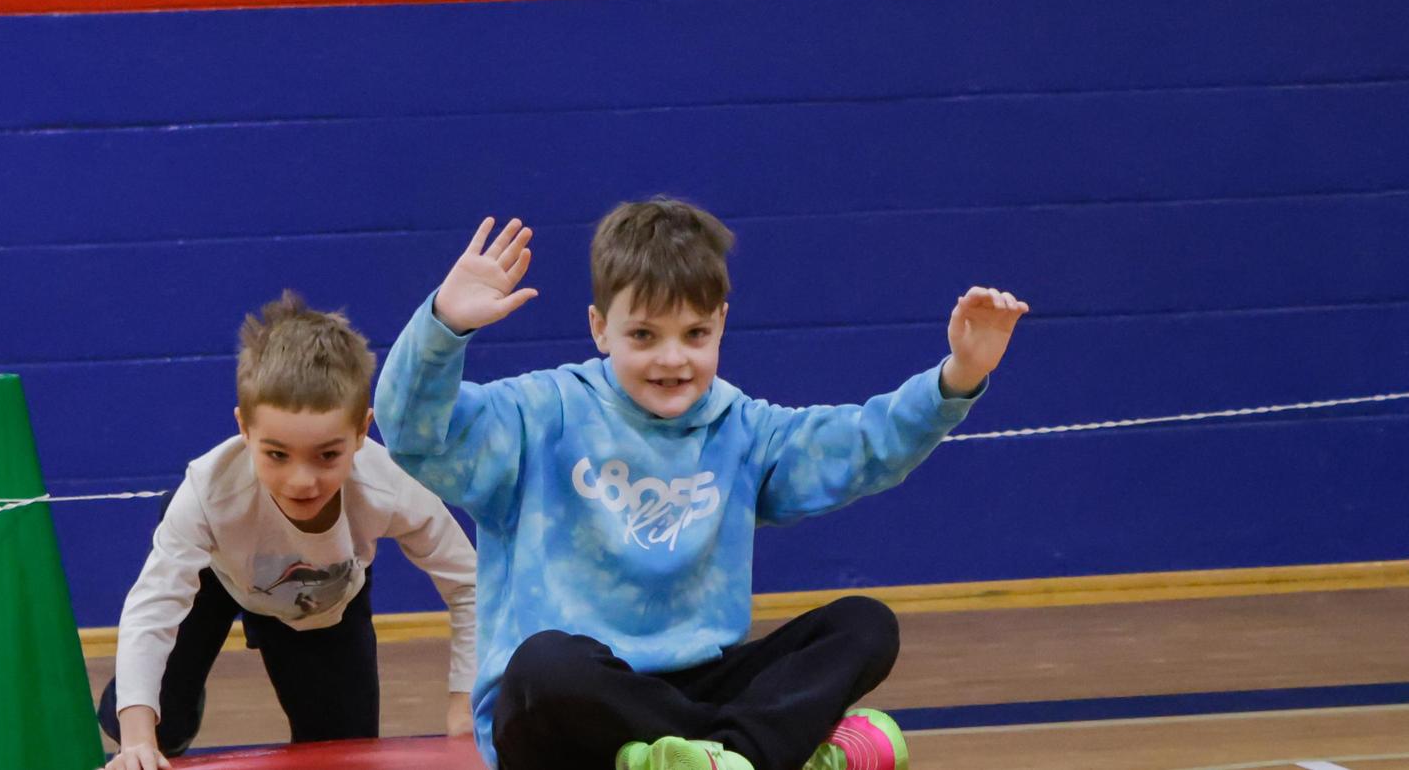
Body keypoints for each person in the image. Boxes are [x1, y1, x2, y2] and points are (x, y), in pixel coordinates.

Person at [374, 199, 1029, 770]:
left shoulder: (741, 429)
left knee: (865, 625)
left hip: (697, 690)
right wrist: (441, 328)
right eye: (643, 334)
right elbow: (413, 435)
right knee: (545, 667)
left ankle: (712, 760)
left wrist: (957, 378)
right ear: (600, 328)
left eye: (694, 334)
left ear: (720, 322)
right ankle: (763, 754)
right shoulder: (538, 415)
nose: (671, 358)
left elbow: (861, 446)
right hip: (566, 713)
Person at [101, 290, 477, 770]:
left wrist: (465, 698)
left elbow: (469, 585)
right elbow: (152, 608)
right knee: (155, 724)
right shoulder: (207, 492)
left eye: (327, 455)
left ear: (362, 432)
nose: (303, 481)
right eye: (277, 454)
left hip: (321, 599)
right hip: (215, 572)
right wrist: (137, 737)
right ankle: (170, 707)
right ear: (244, 429)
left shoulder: (392, 487)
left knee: (344, 753)